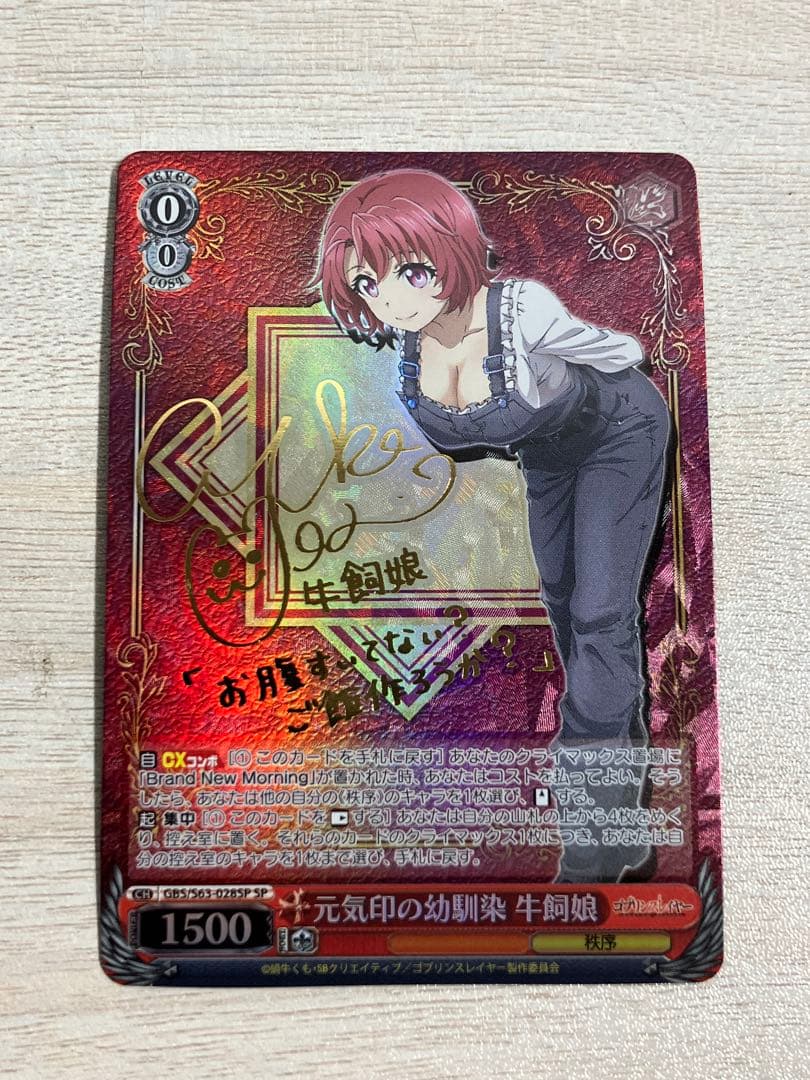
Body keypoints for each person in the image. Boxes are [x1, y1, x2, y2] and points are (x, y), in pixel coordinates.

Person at [313, 168, 671, 882]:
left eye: (411, 272)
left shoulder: (522, 312)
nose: (392, 300)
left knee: (601, 616)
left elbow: (622, 356)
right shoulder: (410, 354)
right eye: (367, 284)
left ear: (452, 248)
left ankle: (592, 849)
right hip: (551, 456)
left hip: (622, 433)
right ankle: (626, 830)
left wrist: (558, 374)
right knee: (564, 606)